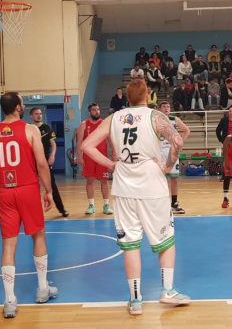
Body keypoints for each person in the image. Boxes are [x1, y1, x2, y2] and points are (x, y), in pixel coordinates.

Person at [80, 80, 190, 315]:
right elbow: (178, 141)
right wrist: (168, 166)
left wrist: (111, 164)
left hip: (123, 186)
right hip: (152, 186)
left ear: (126, 98)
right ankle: (167, 290)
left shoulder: (113, 118)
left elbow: (87, 146)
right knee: (165, 240)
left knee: (130, 245)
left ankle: (135, 299)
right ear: (148, 95)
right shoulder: (156, 117)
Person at [0, 92, 57, 319]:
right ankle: (42, 288)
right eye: (22, 103)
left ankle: (9, 300)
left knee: (8, 246)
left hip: (4, 192)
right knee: (38, 236)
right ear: (18, 108)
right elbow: (41, 163)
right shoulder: (30, 130)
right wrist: (49, 191)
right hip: (28, 189)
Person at [75, 103, 113, 215]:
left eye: (98, 109)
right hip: (89, 157)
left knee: (104, 181)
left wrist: (114, 152)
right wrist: (79, 156)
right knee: (90, 180)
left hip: (102, 157)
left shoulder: (104, 124)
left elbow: (110, 139)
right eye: (94, 110)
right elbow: (79, 142)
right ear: (89, 112)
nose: (97, 111)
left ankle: (106, 205)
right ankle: (91, 205)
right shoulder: (83, 125)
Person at [30, 107, 69, 217]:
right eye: (36, 114)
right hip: (31, 162)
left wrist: (52, 155)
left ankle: (62, 209)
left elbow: (53, 144)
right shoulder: (29, 129)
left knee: (51, 185)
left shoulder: (47, 128)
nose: (39, 115)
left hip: (45, 161)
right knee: (31, 187)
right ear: (31, 116)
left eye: (40, 114)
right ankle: (32, 212)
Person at [159, 101, 191, 214]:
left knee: (174, 179)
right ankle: (159, 204)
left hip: (172, 152)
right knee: (159, 179)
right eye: (164, 107)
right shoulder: (155, 120)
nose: (166, 108)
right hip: (159, 152)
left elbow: (187, 130)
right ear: (160, 109)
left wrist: (180, 142)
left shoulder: (174, 119)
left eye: (168, 107)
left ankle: (174, 203)